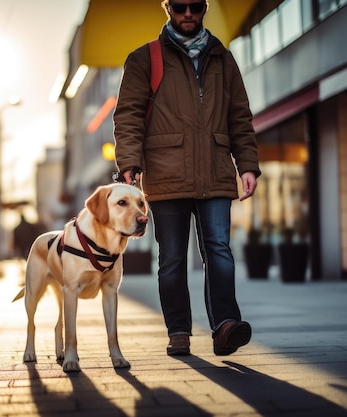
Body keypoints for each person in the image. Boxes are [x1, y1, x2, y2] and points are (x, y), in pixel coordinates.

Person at [113, 0, 261, 357]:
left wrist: (248, 165)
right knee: (172, 258)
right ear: (168, 8)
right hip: (166, 173)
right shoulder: (144, 59)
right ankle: (178, 330)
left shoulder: (222, 59)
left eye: (196, 6)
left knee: (219, 251)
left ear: (204, 7)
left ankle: (226, 325)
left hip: (214, 169)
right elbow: (129, 115)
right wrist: (130, 162)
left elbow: (239, 116)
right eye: (180, 7)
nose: (188, 14)